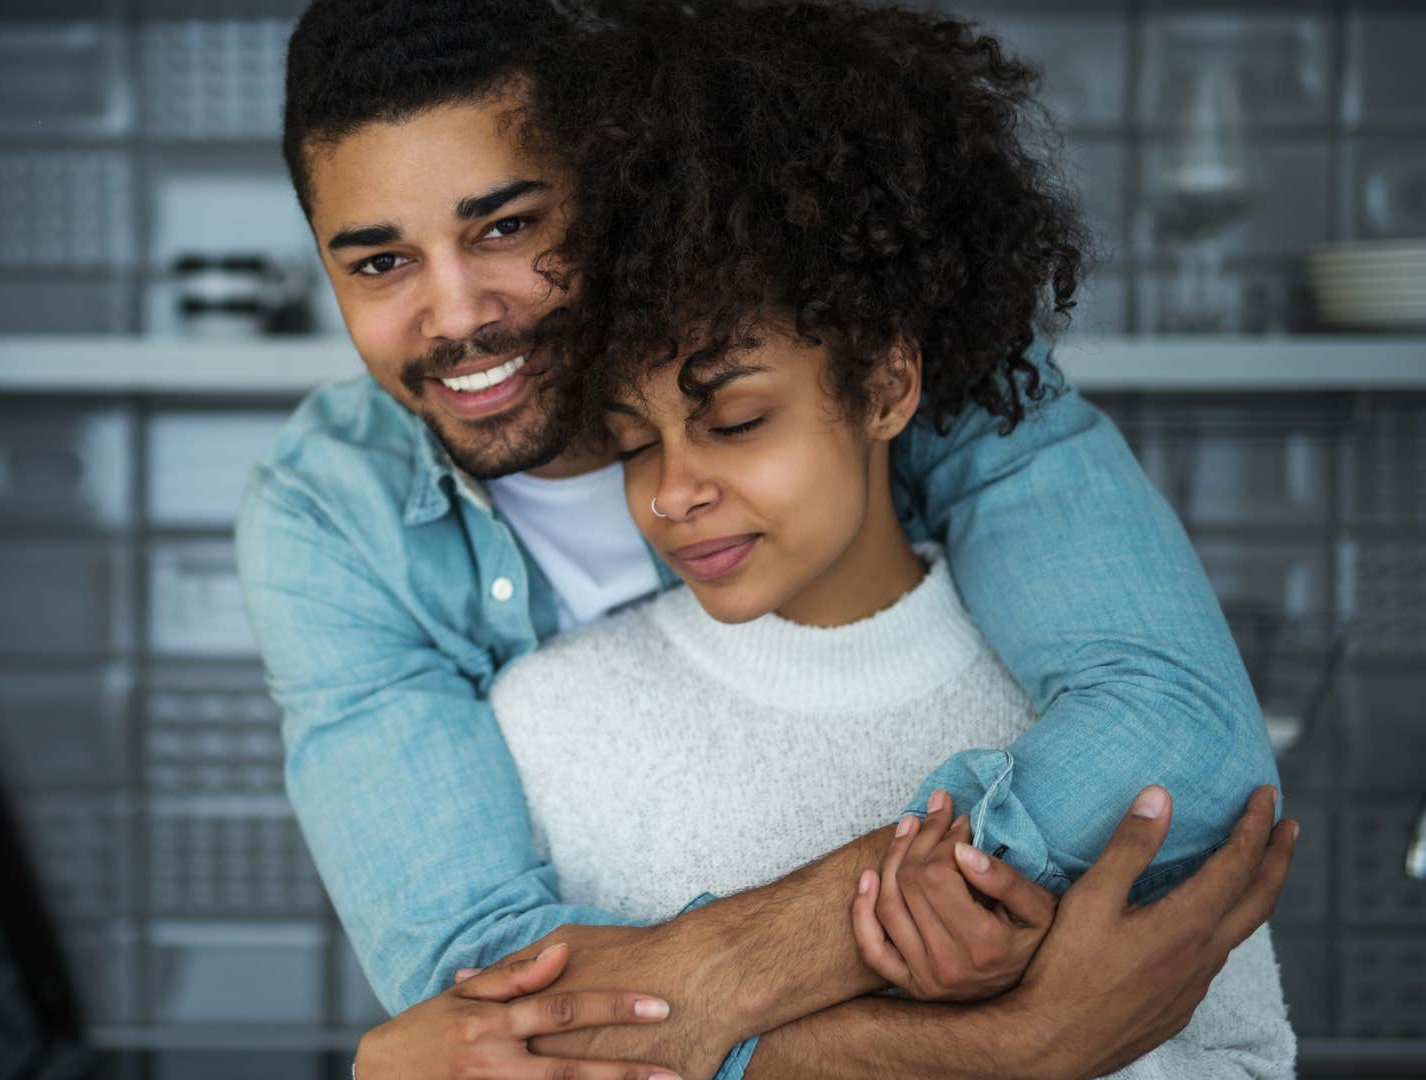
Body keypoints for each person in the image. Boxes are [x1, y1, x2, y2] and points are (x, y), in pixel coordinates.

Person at [235, 1, 1289, 1076]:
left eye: (506, 227)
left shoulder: (857, 317)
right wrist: (1002, 1047)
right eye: (378, 263)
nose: (455, 316)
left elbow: (1184, 736)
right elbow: (486, 991)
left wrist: (719, 979)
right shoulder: (328, 517)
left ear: (612, 183)